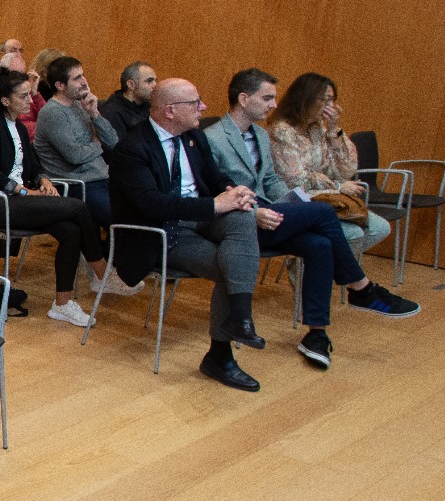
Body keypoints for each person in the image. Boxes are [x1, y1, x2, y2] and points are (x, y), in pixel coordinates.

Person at [207, 68, 418, 368]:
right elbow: (210, 192)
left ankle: (316, 335)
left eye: (274, 98)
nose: (273, 105)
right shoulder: (212, 139)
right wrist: (257, 212)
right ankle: (360, 287)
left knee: (319, 243)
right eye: (267, 98)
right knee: (321, 211)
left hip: (272, 214)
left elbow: (272, 182)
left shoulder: (261, 137)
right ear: (243, 99)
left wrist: (293, 204)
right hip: (238, 224)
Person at [108, 77, 267, 391]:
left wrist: (232, 192)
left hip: (199, 218)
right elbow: (152, 205)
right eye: (195, 103)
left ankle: (240, 317)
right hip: (161, 232)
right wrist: (214, 205)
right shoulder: (132, 148)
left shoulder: (193, 137)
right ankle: (220, 355)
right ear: (170, 110)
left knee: (243, 216)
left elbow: (215, 176)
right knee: (229, 264)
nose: (204, 108)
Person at [0, 65, 126, 325]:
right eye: (23, 96)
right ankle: (101, 271)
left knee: (70, 230)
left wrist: (43, 180)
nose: (30, 101)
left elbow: (33, 165)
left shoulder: (18, 128)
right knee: (77, 207)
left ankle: (63, 303)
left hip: (17, 200)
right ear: (5, 100)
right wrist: (24, 190)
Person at [268, 72, 394, 256]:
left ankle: (318, 263)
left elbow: (347, 169)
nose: (330, 107)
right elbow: (294, 179)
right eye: (324, 100)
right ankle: (317, 267)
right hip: (298, 198)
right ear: (305, 98)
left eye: (332, 100)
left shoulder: (318, 129)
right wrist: (337, 186)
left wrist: (334, 130)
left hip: (326, 196)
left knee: (380, 228)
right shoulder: (281, 131)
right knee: (353, 234)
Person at [33, 56, 117, 229]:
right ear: (60, 85)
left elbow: (114, 142)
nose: (84, 82)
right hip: (76, 185)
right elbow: (75, 156)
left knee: (140, 215)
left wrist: (95, 114)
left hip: (102, 178)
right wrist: (97, 144)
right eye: (77, 78)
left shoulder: (81, 105)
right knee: (121, 222)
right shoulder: (53, 113)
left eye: (83, 75)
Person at [100, 61, 157, 142]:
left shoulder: (150, 106)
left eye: (155, 80)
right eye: (149, 81)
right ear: (131, 85)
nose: (155, 85)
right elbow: (120, 149)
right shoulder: (112, 112)